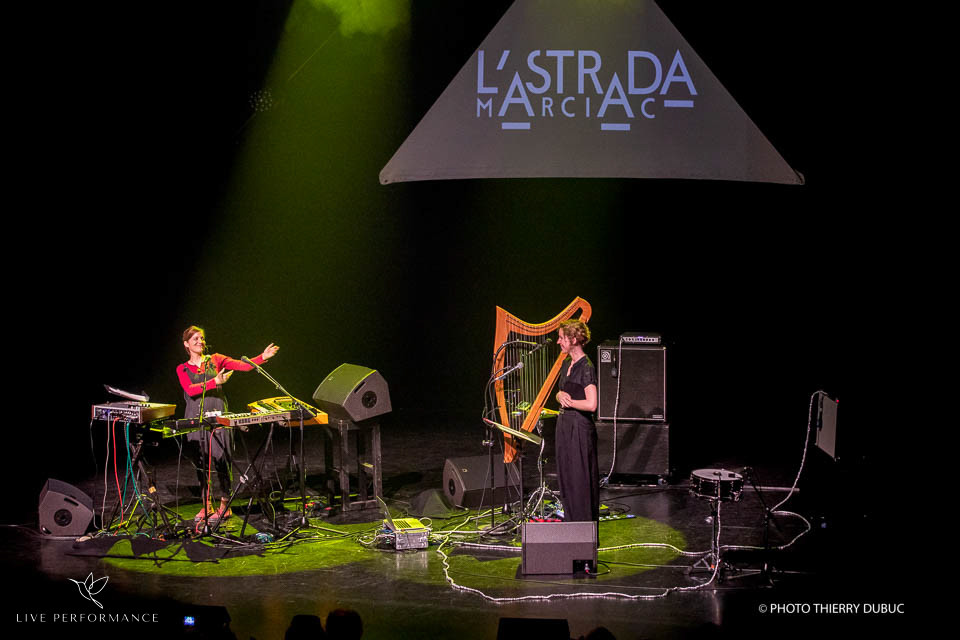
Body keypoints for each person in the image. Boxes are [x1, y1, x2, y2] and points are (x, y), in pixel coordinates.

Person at [176, 325, 279, 523]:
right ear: (186, 344)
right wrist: (215, 381)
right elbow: (190, 390)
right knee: (201, 465)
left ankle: (225, 505)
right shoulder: (182, 368)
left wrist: (262, 357)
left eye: (202, 338)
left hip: (219, 419)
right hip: (195, 421)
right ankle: (206, 505)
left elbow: (244, 366)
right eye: (195, 339)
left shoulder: (215, 359)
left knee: (222, 461)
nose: (200, 341)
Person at [554, 318, 599, 522]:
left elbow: (592, 404)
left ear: (573, 339)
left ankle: (584, 526)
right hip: (564, 425)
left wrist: (569, 402)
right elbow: (562, 392)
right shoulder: (566, 363)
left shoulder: (586, 367)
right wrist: (559, 396)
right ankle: (571, 523)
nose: (558, 342)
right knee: (566, 475)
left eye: (561, 338)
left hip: (579, 428)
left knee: (580, 477)